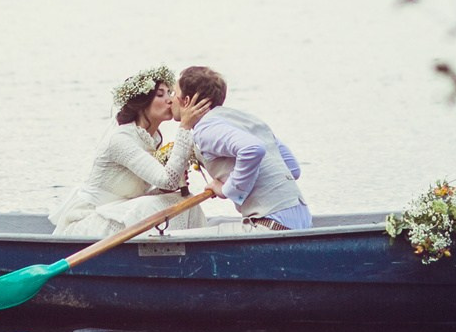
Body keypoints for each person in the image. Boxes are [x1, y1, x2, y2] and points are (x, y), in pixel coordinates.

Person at [48, 65, 212, 238]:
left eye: (170, 93)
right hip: (91, 220)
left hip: (118, 210)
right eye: (160, 95)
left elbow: (143, 193)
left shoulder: (154, 139)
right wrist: (185, 126)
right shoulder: (121, 140)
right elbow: (168, 181)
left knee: (183, 200)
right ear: (142, 104)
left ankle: (194, 245)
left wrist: (165, 190)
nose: (170, 100)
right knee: (149, 206)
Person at [175, 65, 311, 231]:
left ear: (186, 101)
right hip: (303, 221)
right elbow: (293, 170)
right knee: (213, 222)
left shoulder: (205, 128)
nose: (171, 100)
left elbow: (253, 149)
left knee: (185, 234)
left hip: (273, 224)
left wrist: (228, 189)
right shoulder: (247, 120)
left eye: (174, 94)